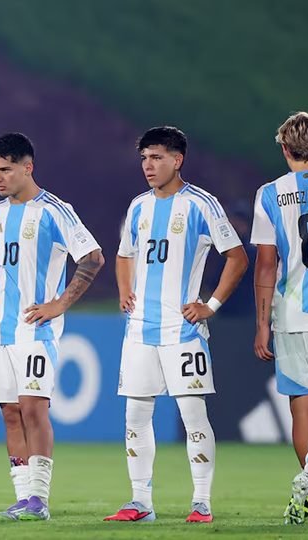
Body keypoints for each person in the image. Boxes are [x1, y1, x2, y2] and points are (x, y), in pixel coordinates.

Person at [104, 126, 248, 524]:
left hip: (183, 331)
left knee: (192, 414)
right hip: (140, 330)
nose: (148, 166)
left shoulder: (202, 205)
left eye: (157, 158)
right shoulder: (138, 207)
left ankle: (201, 502)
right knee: (136, 416)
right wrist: (124, 291)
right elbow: (124, 253)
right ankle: (140, 502)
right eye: (144, 158)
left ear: (177, 160)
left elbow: (236, 257)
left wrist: (211, 305)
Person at [0, 133, 104, 522]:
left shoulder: (54, 210)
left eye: (6, 170)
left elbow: (93, 258)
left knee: (33, 408)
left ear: (27, 168)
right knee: (10, 412)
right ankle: (22, 498)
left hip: (36, 332)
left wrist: (59, 304)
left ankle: (39, 499)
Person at [250, 111, 308, 524]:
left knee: (301, 406)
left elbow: (266, 265)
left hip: (292, 315)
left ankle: (307, 488)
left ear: (286, 149)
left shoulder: (271, 193)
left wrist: (261, 323)